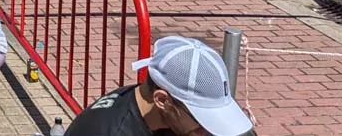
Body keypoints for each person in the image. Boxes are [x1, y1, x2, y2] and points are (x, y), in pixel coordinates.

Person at [66, 36, 253, 136]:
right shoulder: (111, 130)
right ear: (162, 100)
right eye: (199, 118)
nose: (206, 130)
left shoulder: (158, 113)